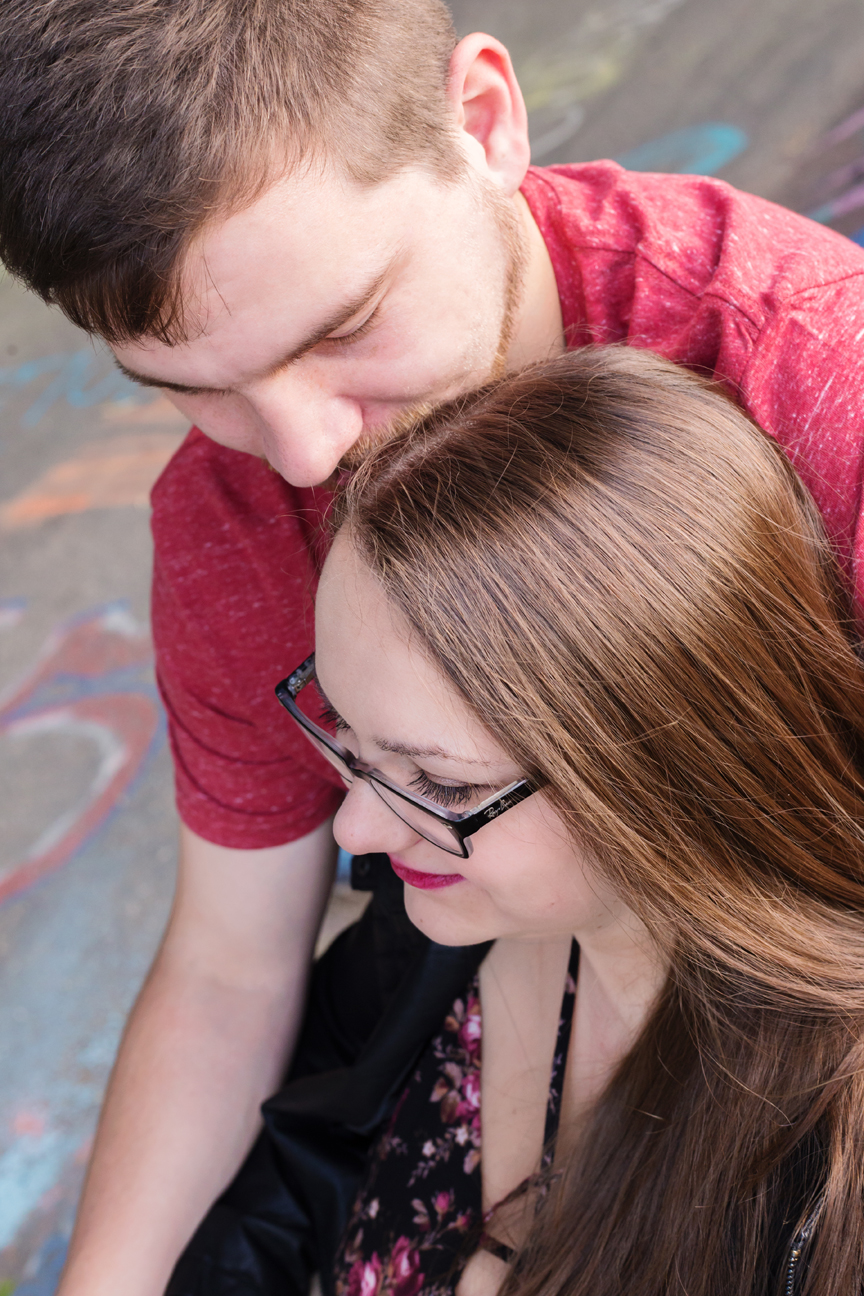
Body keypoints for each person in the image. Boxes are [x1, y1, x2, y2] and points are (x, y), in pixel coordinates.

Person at [2, 1, 864, 1290]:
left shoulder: (819, 382)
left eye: (343, 328)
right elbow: (231, 969)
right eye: (192, 386)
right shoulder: (231, 513)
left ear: (485, 121)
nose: (305, 456)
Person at [175, 346, 864, 1296]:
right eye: (346, 731)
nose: (355, 834)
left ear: (665, 768)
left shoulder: (828, 1176)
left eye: (440, 782)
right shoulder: (432, 936)